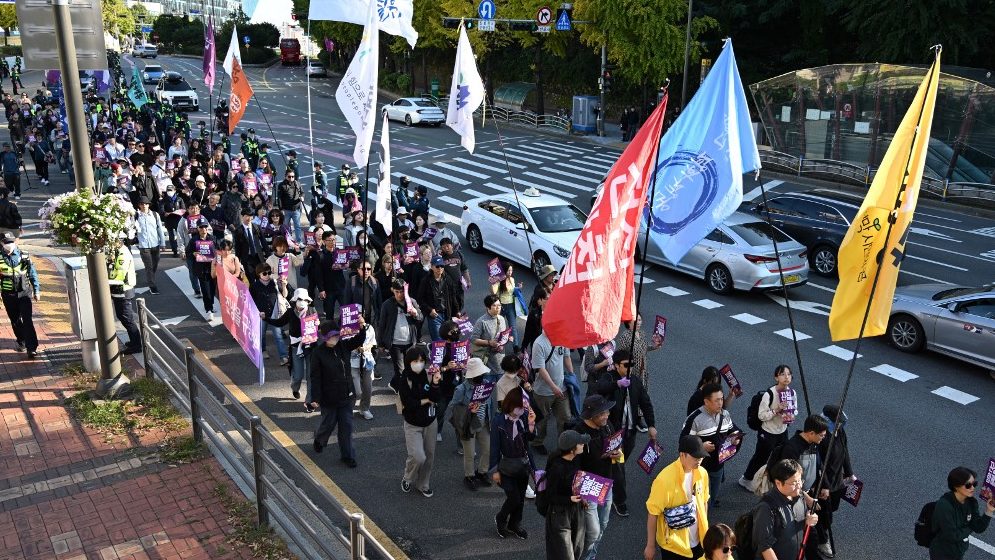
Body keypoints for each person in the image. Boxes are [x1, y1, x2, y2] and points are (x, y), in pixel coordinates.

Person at [591, 349, 657, 517]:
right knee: (618, 466)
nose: (630, 368)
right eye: (626, 365)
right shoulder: (609, 378)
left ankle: (608, 476)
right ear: (616, 365)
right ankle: (619, 500)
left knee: (617, 464)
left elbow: (645, 402)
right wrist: (617, 385)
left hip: (630, 432)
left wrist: (651, 425)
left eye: (632, 365)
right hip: (614, 433)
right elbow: (599, 388)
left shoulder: (634, 381)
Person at [310, 318, 367, 468]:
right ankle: (319, 440)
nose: (334, 339)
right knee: (328, 423)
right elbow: (315, 377)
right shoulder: (318, 353)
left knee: (346, 427)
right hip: (328, 398)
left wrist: (362, 327)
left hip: (346, 396)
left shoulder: (343, 346)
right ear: (324, 337)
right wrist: (315, 397)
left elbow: (359, 339)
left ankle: (347, 455)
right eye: (330, 336)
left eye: (336, 335)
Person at [644, 435, 711, 560]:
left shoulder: (702, 473)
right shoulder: (664, 480)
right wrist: (650, 545)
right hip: (674, 546)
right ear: (682, 454)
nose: (699, 460)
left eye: (701, 457)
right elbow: (653, 513)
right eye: (695, 457)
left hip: (699, 540)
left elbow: (704, 502)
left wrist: (704, 527)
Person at [680, 382, 739, 509]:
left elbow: (730, 430)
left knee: (712, 495)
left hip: (718, 465)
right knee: (696, 499)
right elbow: (683, 442)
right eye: (716, 400)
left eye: (722, 399)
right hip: (699, 467)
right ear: (706, 402)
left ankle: (708, 509)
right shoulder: (695, 419)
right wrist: (700, 447)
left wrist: (734, 438)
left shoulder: (725, 415)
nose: (720, 403)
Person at [573, 395, 618, 559]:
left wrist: (616, 454)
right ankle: (585, 557)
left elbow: (614, 444)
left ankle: (590, 555)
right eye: (602, 413)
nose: (606, 416)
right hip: (587, 485)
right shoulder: (578, 433)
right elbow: (574, 464)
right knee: (594, 531)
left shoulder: (606, 426)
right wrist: (579, 492)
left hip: (606, 482)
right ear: (591, 416)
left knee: (603, 524)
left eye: (606, 412)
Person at [740, 365, 798, 492]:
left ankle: (773, 482)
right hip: (767, 432)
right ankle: (746, 479)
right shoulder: (770, 394)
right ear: (776, 377)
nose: (786, 377)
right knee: (761, 457)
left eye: (788, 374)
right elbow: (761, 415)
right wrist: (776, 410)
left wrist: (791, 413)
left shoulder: (792, 393)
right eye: (782, 374)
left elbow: (796, 410)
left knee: (781, 457)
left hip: (782, 430)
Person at [489, 386, 536, 538]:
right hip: (506, 467)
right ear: (510, 405)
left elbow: (530, 441)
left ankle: (515, 524)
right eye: (519, 407)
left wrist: (531, 425)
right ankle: (500, 518)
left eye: (523, 408)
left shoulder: (524, 418)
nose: (521, 410)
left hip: (522, 465)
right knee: (513, 497)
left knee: (520, 498)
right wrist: (494, 470)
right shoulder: (498, 421)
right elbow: (494, 447)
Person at [397, 346, 442, 498]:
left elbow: (436, 398)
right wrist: (426, 399)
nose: (419, 364)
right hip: (412, 424)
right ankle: (408, 477)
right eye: (415, 361)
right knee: (417, 456)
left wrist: (435, 383)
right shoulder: (404, 380)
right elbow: (409, 403)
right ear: (409, 362)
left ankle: (423, 484)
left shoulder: (428, 375)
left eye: (422, 361)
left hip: (430, 421)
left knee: (429, 456)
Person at [751, 459, 818, 560]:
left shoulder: (800, 497)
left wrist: (808, 521)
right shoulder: (766, 507)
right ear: (778, 483)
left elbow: (798, 527)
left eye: (800, 481)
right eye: (793, 483)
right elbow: (764, 546)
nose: (799, 486)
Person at [266, 288, 319, 410]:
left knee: (311, 375)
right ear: (295, 300)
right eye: (299, 299)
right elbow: (279, 322)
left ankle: (309, 402)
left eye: (304, 300)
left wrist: (318, 324)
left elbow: (318, 328)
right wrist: (265, 318)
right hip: (296, 346)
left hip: (310, 347)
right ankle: (295, 387)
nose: (302, 302)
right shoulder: (290, 312)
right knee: (298, 375)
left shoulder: (312, 310)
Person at [930, 466, 995, 560]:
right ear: (956, 486)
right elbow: (953, 535)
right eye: (968, 485)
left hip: (959, 551)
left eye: (974, 484)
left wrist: (989, 510)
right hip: (942, 553)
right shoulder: (944, 506)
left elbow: (978, 527)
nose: (972, 488)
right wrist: (969, 527)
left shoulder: (972, 502)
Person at [447, 357, 492, 491]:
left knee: (487, 449)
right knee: (470, 453)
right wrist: (468, 408)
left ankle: (482, 472)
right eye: (479, 374)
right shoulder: (461, 389)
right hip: (468, 424)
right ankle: (469, 476)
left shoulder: (486, 384)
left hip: (483, 422)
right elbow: (452, 407)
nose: (482, 377)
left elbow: (490, 403)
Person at [815, 405, 854, 559]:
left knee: (833, 509)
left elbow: (845, 452)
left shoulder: (840, 432)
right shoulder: (822, 437)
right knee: (824, 513)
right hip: (823, 482)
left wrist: (849, 473)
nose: (840, 425)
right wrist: (824, 486)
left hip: (838, 479)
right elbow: (820, 464)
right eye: (837, 423)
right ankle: (822, 541)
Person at [545, 430, 591, 558]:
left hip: (576, 510)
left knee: (577, 549)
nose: (583, 445)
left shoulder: (576, 459)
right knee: (565, 555)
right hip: (560, 515)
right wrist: (569, 499)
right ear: (572, 449)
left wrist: (582, 498)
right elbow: (550, 496)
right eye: (580, 443)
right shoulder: (556, 468)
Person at [530, 330, 573, 455]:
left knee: (565, 417)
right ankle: (537, 442)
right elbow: (540, 369)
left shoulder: (562, 336)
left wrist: (571, 374)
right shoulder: (539, 343)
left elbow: (567, 356)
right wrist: (553, 387)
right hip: (543, 391)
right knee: (542, 419)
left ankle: (564, 444)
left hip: (562, 388)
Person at [376, 279, 422, 389]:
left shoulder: (411, 302)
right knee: (400, 371)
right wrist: (380, 343)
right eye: (397, 292)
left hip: (410, 342)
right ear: (392, 290)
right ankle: (404, 394)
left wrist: (415, 314)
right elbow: (381, 325)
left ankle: (393, 383)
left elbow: (421, 318)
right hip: (395, 343)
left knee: (409, 369)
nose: (399, 294)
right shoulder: (387, 305)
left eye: (402, 292)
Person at [0, 232, 39, 358]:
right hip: (8, 294)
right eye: (6, 242)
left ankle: (31, 348)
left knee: (27, 320)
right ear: (2, 243)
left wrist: (37, 290)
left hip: (24, 293)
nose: (9, 245)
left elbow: (32, 273)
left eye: (11, 242)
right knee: (15, 320)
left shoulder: (24, 256)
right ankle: (21, 341)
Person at [250, 263, 290, 366]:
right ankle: (263, 350)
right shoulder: (254, 286)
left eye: (269, 273)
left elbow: (284, 295)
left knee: (278, 336)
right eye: (264, 273)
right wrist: (257, 312)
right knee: (261, 334)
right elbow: (251, 301)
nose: (267, 275)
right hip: (261, 315)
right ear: (259, 274)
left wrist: (284, 286)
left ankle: (284, 356)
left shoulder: (275, 283)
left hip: (274, 314)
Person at [106, 243, 141, 354]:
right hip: (119, 289)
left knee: (127, 319)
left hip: (123, 289)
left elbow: (120, 274)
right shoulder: (118, 251)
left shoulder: (122, 254)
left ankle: (136, 345)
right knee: (123, 317)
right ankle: (134, 342)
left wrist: (105, 282)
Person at [416, 256, 459, 341]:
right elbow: (420, 299)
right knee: (438, 341)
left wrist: (457, 311)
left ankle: (444, 353)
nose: (440, 268)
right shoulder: (426, 281)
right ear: (432, 267)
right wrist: (429, 310)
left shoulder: (448, 279)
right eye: (437, 266)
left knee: (450, 339)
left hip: (447, 314)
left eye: (442, 266)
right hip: (435, 315)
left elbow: (453, 297)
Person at [471, 294, 508, 374]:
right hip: (487, 363)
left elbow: (503, 336)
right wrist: (489, 343)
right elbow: (473, 339)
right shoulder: (481, 321)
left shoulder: (501, 319)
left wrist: (503, 344)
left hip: (500, 361)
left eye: (499, 305)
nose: (498, 308)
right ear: (488, 307)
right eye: (494, 305)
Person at [134, 199, 164, 294]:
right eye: (142, 204)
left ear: (149, 205)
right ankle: (152, 286)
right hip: (144, 245)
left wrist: (162, 243)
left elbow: (159, 229)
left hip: (155, 244)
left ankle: (151, 278)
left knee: (155, 264)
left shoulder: (155, 215)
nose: (144, 206)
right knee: (149, 266)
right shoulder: (136, 215)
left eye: (146, 204)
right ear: (139, 205)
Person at [234, 209, 266, 281]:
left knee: (261, 278)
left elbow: (263, 242)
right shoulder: (238, 231)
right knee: (251, 279)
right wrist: (237, 261)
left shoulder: (257, 227)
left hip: (258, 257)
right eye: (247, 216)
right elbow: (237, 247)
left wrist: (268, 255)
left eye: (251, 216)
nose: (249, 218)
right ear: (242, 217)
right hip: (247, 258)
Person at [276, 168, 304, 243]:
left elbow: (302, 192)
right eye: (289, 176)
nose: (291, 178)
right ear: (285, 176)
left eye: (292, 176)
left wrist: (302, 197)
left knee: (297, 226)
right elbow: (279, 198)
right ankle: (286, 241)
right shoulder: (282, 185)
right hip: (286, 210)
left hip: (296, 209)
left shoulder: (297, 183)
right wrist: (281, 209)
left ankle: (299, 242)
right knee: (285, 227)